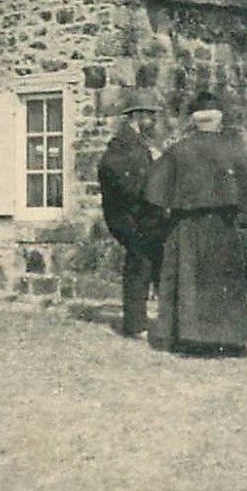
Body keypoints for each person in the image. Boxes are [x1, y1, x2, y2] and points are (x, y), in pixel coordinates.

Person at [147, 90, 247, 357]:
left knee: (188, 281)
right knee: (223, 281)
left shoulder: (178, 151)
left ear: (195, 121)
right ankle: (229, 340)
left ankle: (187, 338)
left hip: (186, 227)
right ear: (218, 121)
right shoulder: (233, 150)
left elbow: (153, 187)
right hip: (222, 225)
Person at [96, 100, 172, 338]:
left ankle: (146, 322)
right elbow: (127, 185)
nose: (153, 121)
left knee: (149, 263)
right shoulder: (123, 145)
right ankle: (135, 325)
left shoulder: (138, 144)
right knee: (139, 265)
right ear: (137, 116)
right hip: (128, 217)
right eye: (150, 116)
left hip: (140, 215)